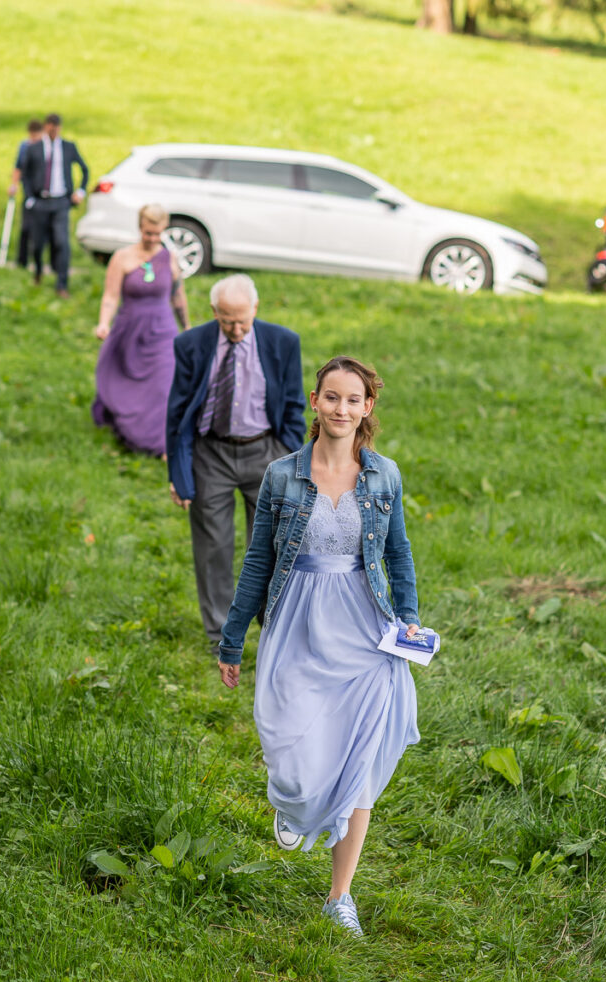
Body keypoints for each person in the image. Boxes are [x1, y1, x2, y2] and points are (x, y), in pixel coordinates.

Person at [218, 356, 421, 937]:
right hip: (299, 621)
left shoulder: (384, 475)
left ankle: (340, 896)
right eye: (331, 398)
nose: (341, 409)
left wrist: (407, 621)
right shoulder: (282, 476)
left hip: (365, 626)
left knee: (359, 756)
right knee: (289, 740)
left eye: (352, 400)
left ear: (367, 408)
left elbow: (398, 553)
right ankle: (294, 801)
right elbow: (259, 560)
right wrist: (233, 641)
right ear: (315, 402)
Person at [166, 274, 305, 650]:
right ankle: (220, 634)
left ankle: (271, 625)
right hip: (211, 452)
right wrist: (179, 475)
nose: (237, 329)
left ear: (255, 309)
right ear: (214, 312)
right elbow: (177, 414)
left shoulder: (282, 342)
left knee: (273, 544)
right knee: (213, 545)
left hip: (266, 451)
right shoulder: (191, 345)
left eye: (243, 320)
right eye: (227, 321)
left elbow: (294, 406)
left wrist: (291, 459)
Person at [91, 204, 190, 456]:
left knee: (164, 385)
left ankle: (162, 444)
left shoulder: (169, 258)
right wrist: (104, 322)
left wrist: (187, 327)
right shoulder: (122, 257)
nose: (153, 239)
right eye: (148, 233)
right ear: (140, 228)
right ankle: (130, 426)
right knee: (128, 383)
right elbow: (111, 297)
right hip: (131, 328)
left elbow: (178, 297)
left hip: (163, 329)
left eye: (158, 234)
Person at [21, 113, 89, 297]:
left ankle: (62, 284)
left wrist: (80, 191)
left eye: (56, 126)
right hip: (40, 201)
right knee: (37, 244)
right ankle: (38, 272)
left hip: (61, 202)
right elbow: (25, 174)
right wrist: (29, 198)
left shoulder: (68, 147)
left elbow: (84, 169)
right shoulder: (34, 148)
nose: (53, 129)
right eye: (50, 126)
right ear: (45, 127)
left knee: (61, 242)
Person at [7, 119, 43, 269]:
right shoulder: (25, 146)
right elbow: (18, 167)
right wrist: (13, 184)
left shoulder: (46, 147)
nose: (33, 139)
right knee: (26, 227)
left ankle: (40, 261)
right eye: (31, 136)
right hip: (28, 193)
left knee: (41, 229)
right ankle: (22, 261)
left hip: (43, 194)